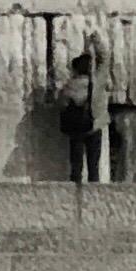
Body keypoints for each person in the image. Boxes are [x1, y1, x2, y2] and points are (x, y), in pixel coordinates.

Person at [58, 41, 103, 184]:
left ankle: (75, 186)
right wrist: (96, 45)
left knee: (76, 163)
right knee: (93, 164)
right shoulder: (95, 85)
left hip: (75, 128)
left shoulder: (68, 86)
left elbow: (62, 104)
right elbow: (104, 61)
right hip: (93, 126)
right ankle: (94, 188)